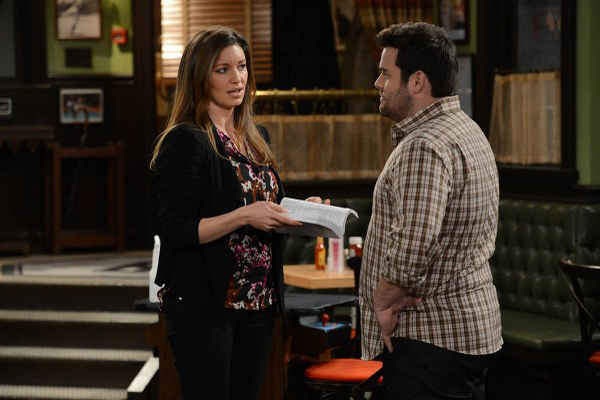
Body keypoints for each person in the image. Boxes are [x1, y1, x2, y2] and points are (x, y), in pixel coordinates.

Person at [149, 26, 302, 400]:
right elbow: (179, 231)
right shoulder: (185, 140)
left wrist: (302, 209)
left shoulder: (256, 136)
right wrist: (244, 215)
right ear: (200, 76)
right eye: (223, 69)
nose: (237, 79)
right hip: (205, 305)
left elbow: (266, 206)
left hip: (259, 303)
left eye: (242, 66)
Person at [358, 22, 502, 399]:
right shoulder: (467, 129)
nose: (377, 83)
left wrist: (382, 303)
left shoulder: (425, 144)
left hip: (431, 335)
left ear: (417, 81)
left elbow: (412, 245)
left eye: (385, 74)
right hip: (466, 330)